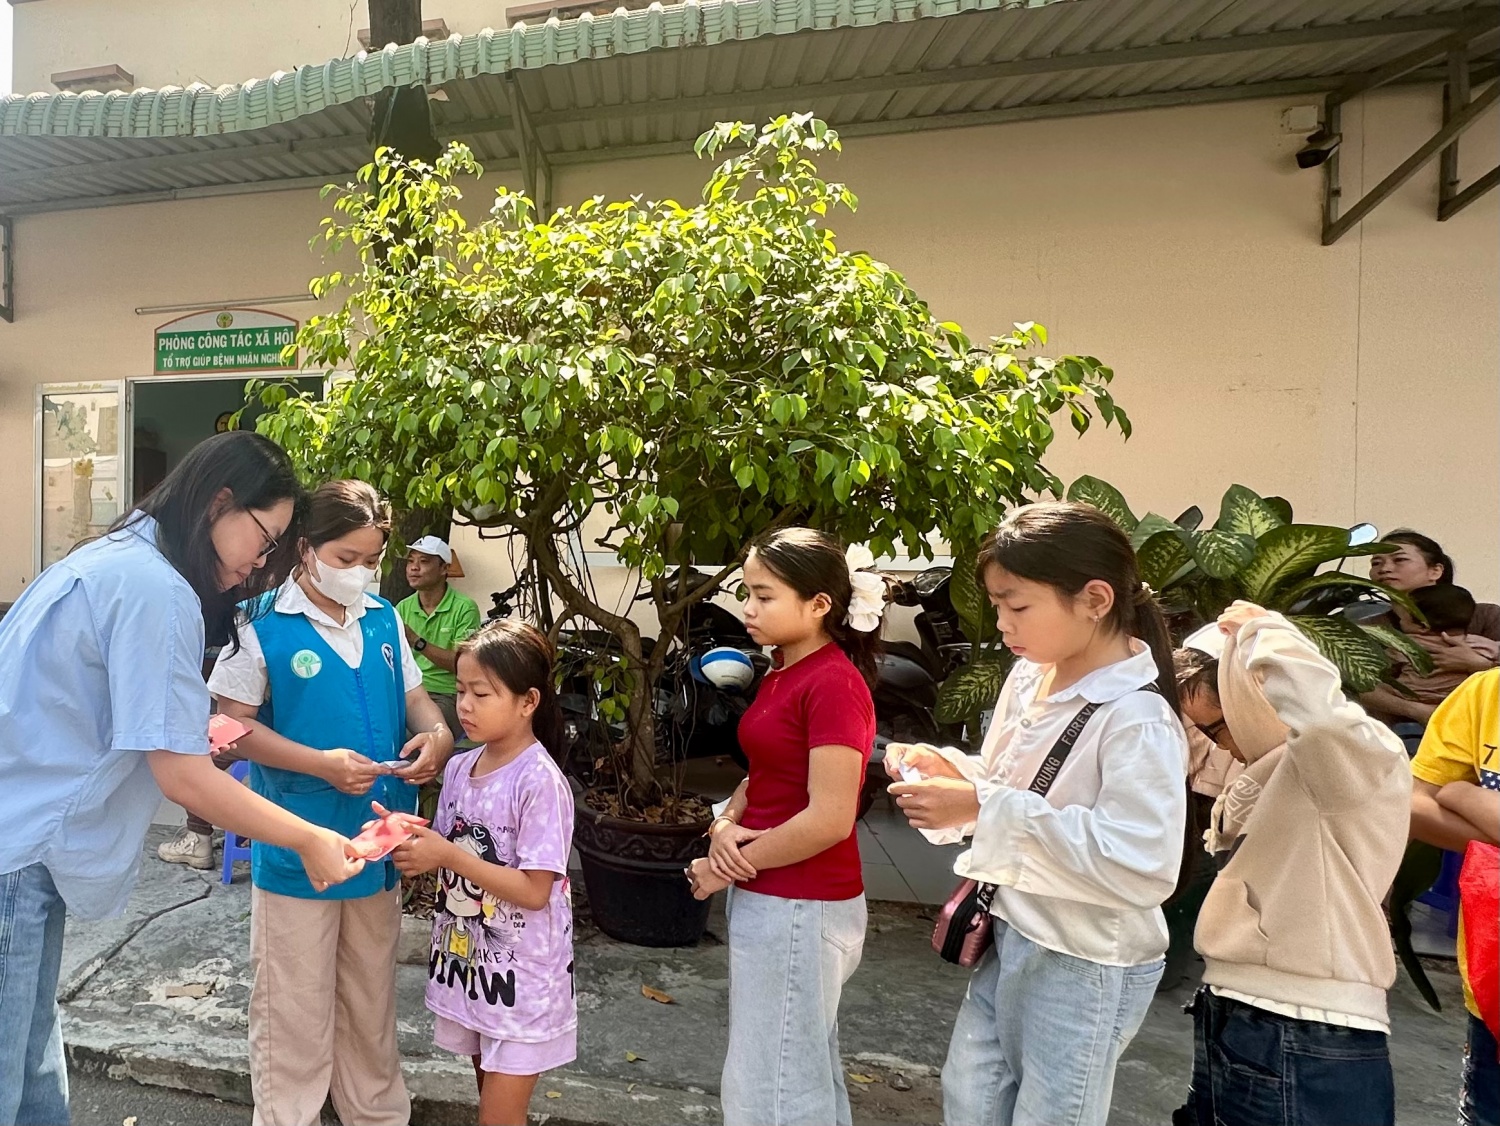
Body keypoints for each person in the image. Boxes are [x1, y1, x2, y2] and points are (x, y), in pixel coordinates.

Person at [0, 432, 365, 1126]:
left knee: (31, 1063)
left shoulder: (113, 559)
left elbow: (98, 708)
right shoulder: (155, 590)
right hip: (15, 853)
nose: (260, 562)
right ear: (218, 504)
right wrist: (311, 839)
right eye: (263, 538)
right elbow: (184, 781)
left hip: (22, 847)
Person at [885, 502, 1187, 1126]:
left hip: (1084, 959)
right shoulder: (1029, 677)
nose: (1002, 624)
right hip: (1011, 926)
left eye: (1017, 606)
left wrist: (983, 804)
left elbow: (1144, 866)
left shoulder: (1135, 717)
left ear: (1095, 599)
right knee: (970, 1101)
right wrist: (957, 777)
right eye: (997, 606)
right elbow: (1009, 788)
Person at [207, 480, 456, 1126]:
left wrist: (437, 733)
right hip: (299, 848)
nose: (363, 573)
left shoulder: (383, 619)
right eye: (347, 559)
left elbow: (415, 698)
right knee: (292, 1006)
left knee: (369, 1002)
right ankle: (289, 1115)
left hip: (377, 846)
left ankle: (375, 1112)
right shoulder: (259, 623)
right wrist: (318, 763)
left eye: (372, 559)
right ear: (306, 550)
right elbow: (226, 731)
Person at [1170, 603, 1410, 1126]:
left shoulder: (1349, 763)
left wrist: (1264, 631)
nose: (1221, 744)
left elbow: (1322, 720)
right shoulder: (1264, 773)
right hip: (1240, 1014)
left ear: (1253, 691)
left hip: (1305, 1029)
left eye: (1219, 725)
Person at [684, 528, 882, 1126]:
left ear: (819, 604)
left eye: (764, 596)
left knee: (771, 1088)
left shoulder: (833, 683)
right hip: (775, 892)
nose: (748, 609)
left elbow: (829, 817)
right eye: (747, 593)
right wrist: (727, 822)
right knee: (795, 1070)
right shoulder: (782, 670)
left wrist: (723, 866)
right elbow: (766, 775)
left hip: (803, 902)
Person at [391, 619, 577, 1126]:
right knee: (487, 1098)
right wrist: (406, 846)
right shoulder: (458, 768)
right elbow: (448, 848)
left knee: (498, 1116)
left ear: (528, 701)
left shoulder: (540, 782)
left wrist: (447, 857)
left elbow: (536, 891)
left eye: (482, 693)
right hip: (474, 971)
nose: (465, 706)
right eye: (461, 691)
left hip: (524, 981)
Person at [1407, 668, 1500, 1126]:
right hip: (1492, 985)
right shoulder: (1487, 693)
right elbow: (1415, 804)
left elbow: (1442, 793)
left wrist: (1464, 794)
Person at [1363, 531, 1500, 732]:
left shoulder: (1487, 615)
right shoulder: (1369, 627)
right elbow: (1356, 684)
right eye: (1376, 563)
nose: (1385, 569)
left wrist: (1478, 664)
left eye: (1399, 559)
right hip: (1396, 735)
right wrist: (1419, 711)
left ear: (1435, 571)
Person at [396, 535, 482, 738]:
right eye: (411, 561)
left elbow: (462, 663)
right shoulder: (403, 607)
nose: (414, 568)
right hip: (408, 690)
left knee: (413, 737)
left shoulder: (464, 608)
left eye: (424, 561)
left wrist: (418, 642)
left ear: (444, 569)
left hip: (447, 694)